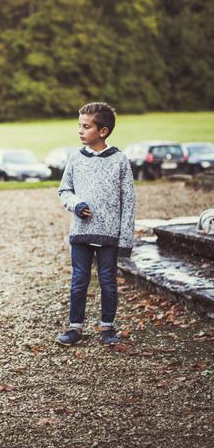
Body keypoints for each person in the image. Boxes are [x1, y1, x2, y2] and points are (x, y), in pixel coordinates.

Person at [56, 102, 135, 346]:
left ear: (103, 131)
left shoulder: (120, 161)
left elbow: (129, 202)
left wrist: (125, 241)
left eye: (86, 127)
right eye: (79, 126)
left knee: (107, 281)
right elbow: (64, 190)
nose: (80, 131)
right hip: (80, 232)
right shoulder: (75, 159)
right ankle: (75, 328)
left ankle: (107, 328)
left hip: (109, 235)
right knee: (79, 280)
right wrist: (76, 204)